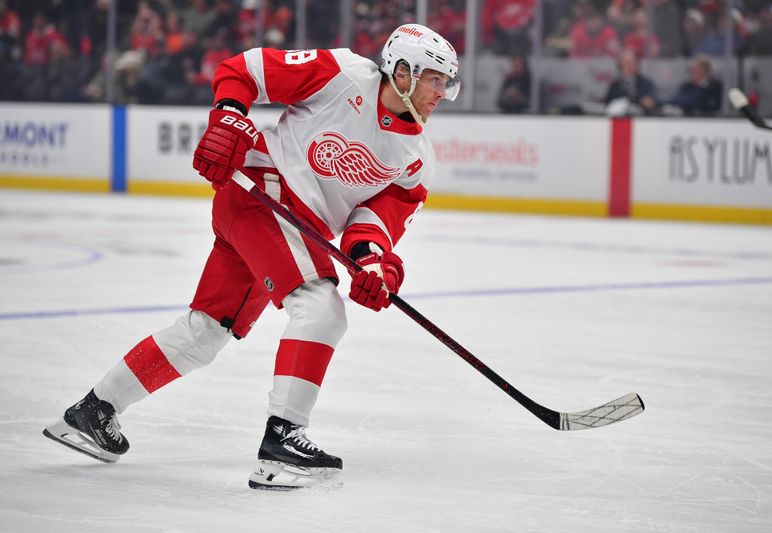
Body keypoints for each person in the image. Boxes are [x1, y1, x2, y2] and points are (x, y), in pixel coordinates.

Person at [43, 23, 461, 490]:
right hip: (262, 192)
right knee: (321, 308)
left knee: (204, 333)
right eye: (435, 80)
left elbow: (373, 223)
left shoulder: (417, 158)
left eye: (447, 83)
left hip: (281, 224)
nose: (442, 93)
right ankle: (282, 443)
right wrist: (228, 118)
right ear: (402, 73)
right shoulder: (341, 73)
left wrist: (373, 264)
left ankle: (93, 412)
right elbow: (244, 71)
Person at [604, 48, 659, 115]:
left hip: (644, 120)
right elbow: (607, 103)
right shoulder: (615, 86)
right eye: (627, 63)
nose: (631, 66)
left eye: (633, 63)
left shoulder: (645, 83)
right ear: (620, 66)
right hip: (621, 121)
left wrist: (648, 101)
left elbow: (653, 100)